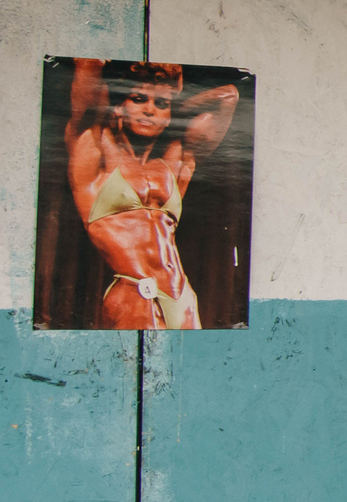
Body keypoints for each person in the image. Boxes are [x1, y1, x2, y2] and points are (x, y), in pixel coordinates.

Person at [62, 58, 238, 330]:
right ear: (118, 105)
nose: (149, 111)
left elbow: (228, 96)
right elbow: (89, 70)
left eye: (160, 105)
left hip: (183, 296)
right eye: (138, 99)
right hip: (135, 291)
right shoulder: (96, 150)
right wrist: (163, 104)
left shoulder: (173, 164)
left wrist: (171, 104)